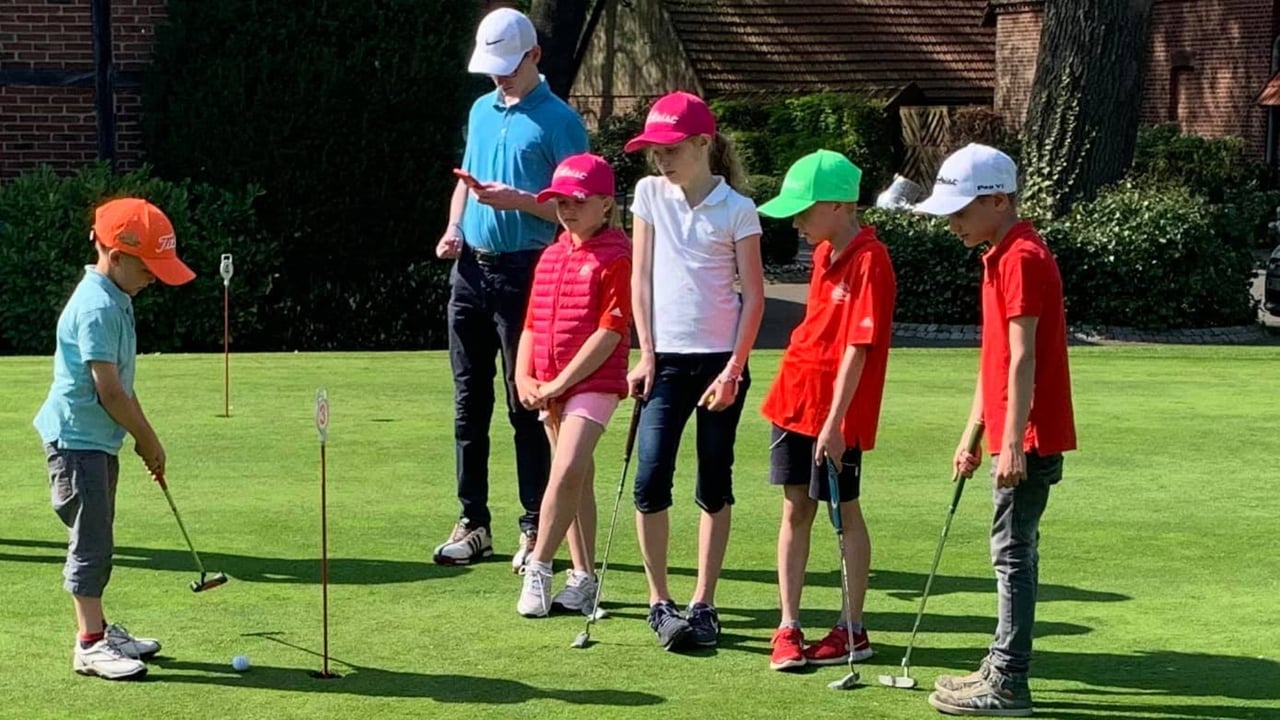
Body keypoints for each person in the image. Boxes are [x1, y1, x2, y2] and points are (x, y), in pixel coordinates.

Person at [914, 143, 1077, 717]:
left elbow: (1023, 358)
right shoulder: (999, 254)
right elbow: (994, 360)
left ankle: (1009, 679)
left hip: (1029, 438)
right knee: (1011, 551)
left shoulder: (1023, 258)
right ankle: (1000, 663)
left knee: (1012, 553)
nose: (952, 223)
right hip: (1013, 431)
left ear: (1000, 201)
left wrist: (1010, 441)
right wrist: (972, 431)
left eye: (960, 212)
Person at [432, 7, 590, 571]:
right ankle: (474, 521)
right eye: (493, 68)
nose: (500, 77)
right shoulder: (481, 110)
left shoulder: (561, 123)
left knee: (528, 401)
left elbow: (580, 205)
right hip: (470, 269)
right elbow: (466, 184)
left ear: (535, 57)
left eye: (509, 66)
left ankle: (533, 524)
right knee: (468, 402)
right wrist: (454, 228)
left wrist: (519, 201)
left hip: (530, 269)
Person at [623, 91, 765, 651]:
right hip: (665, 362)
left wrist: (734, 369)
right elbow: (641, 281)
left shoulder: (737, 208)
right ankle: (660, 602)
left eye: (671, 147)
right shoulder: (648, 195)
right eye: (653, 149)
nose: (660, 158)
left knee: (713, 481)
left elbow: (753, 297)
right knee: (650, 478)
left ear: (704, 143)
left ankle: (704, 602)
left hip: (719, 364)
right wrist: (647, 352)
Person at [33, 197, 196, 680]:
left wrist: (147, 438)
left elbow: (123, 388)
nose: (155, 278)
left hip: (95, 440)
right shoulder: (97, 307)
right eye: (150, 267)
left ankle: (100, 629)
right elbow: (108, 391)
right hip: (76, 441)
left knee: (99, 534)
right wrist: (146, 438)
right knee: (91, 540)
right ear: (117, 255)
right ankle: (88, 644)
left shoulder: (117, 297)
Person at [753, 150, 897, 672]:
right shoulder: (822, 255)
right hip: (793, 400)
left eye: (805, 210)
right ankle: (788, 625)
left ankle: (853, 628)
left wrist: (835, 422)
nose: (797, 221)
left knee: (844, 514)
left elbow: (858, 348)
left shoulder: (870, 260)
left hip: (837, 416)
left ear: (838, 205)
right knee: (795, 508)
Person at [511, 153, 632, 618]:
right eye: (560, 200)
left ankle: (540, 566)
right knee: (576, 478)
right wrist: (525, 376)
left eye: (578, 200)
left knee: (563, 471)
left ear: (605, 204)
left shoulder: (616, 255)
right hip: (549, 385)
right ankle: (583, 577)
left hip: (594, 383)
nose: (567, 208)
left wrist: (560, 380)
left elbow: (611, 330)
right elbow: (532, 325)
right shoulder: (551, 254)